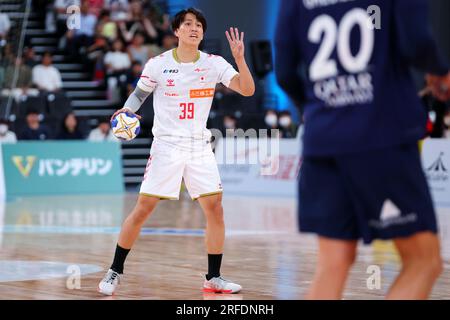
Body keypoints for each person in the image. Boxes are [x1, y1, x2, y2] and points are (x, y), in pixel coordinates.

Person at [275, 0, 450, 299]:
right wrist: (439, 71)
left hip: (323, 143)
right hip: (381, 135)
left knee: (333, 264)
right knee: (424, 261)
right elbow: (415, 40)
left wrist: (317, 109)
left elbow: (284, 70)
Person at [98, 7, 255, 296]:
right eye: (189, 24)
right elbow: (139, 95)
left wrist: (240, 60)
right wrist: (127, 110)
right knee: (143, 209)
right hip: (167, 145)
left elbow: (247, 90)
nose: (195, 28)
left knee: (215, 209)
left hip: (199, 146)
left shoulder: (214, 63)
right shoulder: (158, 64)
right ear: (176, 31)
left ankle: (213, 277)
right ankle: (114, 271)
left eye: (199, 25)